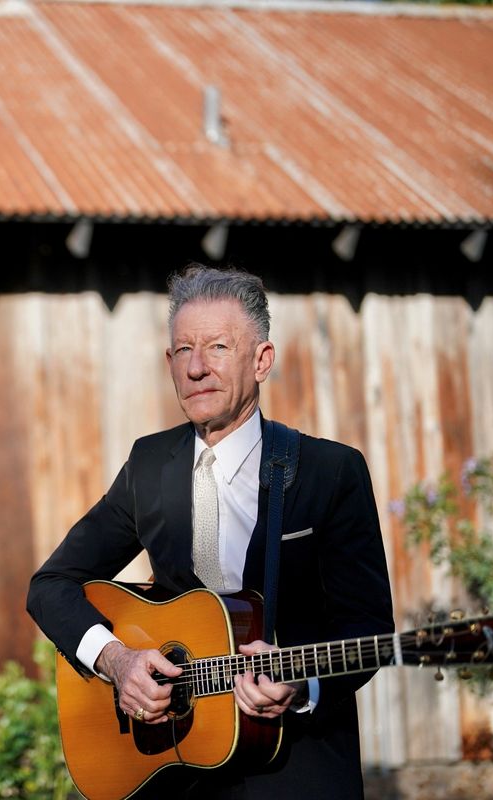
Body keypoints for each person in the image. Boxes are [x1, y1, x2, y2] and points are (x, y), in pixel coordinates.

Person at [26, 265, 393, 799]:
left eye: (218, 347)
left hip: (296, 769)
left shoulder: (329, 471)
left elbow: (369, 629)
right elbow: (51, 584)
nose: (196, 368)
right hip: (174, 767)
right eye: (182, 351)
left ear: (261, 360)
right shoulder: (148, 465)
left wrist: (302, 684)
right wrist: (117, 660)